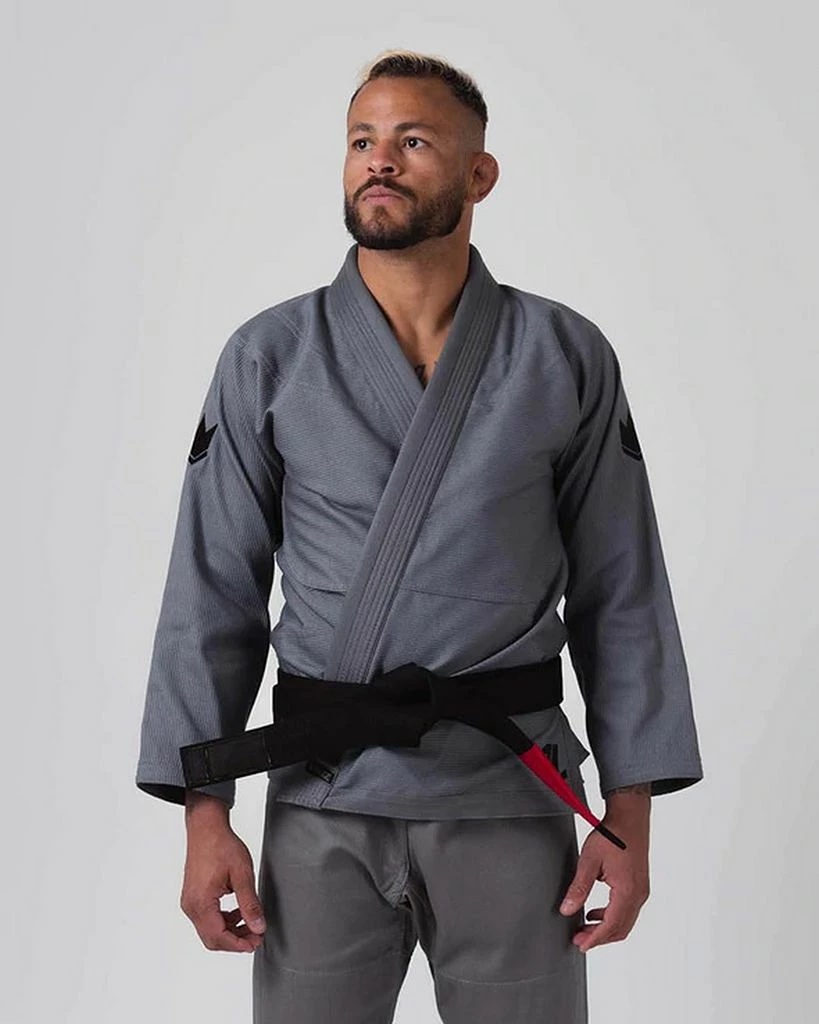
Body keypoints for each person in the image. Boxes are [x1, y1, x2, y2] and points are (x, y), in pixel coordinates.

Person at [135, 49, 704, 1024]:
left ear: (479, 175)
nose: (379, 160)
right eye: (361, 140)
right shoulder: (270, 355)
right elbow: (210, 593)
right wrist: (205, 813)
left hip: (510, 797)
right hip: (324, 799)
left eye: (412, 141)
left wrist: (629, 816)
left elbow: (623, 590)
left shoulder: (562, 354)